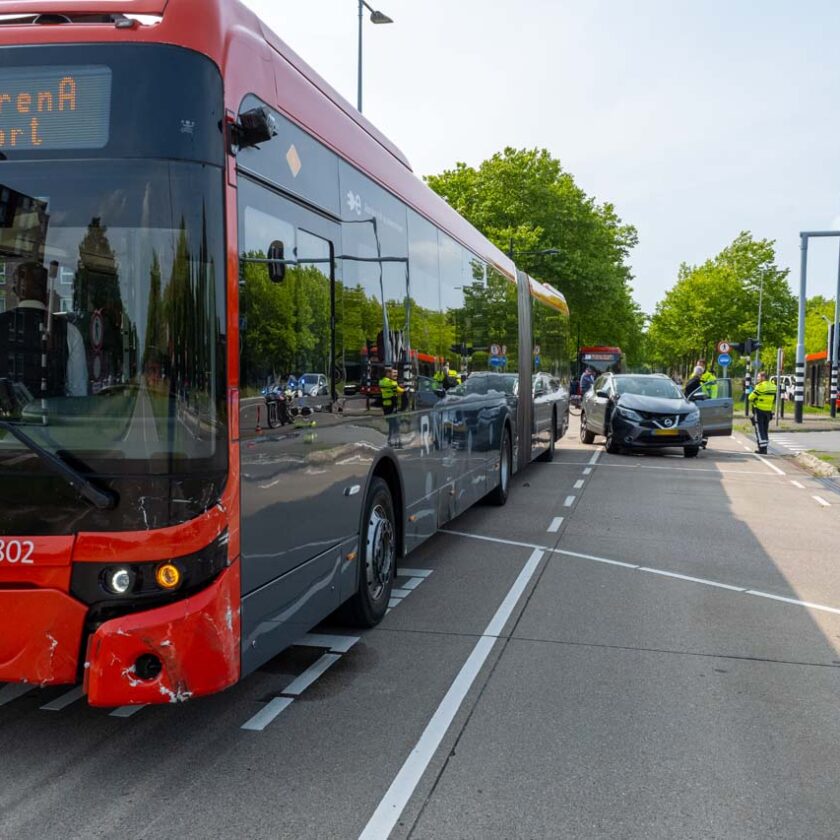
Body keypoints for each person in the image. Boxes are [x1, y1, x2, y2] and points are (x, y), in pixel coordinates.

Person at [0, 261, 87, 402]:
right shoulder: (69, 331)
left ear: (16, 292)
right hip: (55, 420)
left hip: (8, 423)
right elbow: (78, 393)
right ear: (47, 293)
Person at [748, 370, 776, 455]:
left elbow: (750, 397)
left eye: (758, 377)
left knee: (759, 430)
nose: (757, 378)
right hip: (768, 411)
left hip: (759, 410)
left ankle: (762, 449)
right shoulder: (773, 386)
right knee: (765, 429)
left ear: (763, 377)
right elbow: (774, 398)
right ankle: (765, 447)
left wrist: (756, 399)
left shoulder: (760, 387)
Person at [379, 366, 405, 445]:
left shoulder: (381, 381)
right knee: (395, 423)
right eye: (391, 373)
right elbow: (400, 390)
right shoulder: (392, 382)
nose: (392, 375)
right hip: (392, 405)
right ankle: (397, 440)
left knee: (391, 423)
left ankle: (390, 439)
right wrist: (403, 389)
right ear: (387, 373)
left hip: (385, 405)